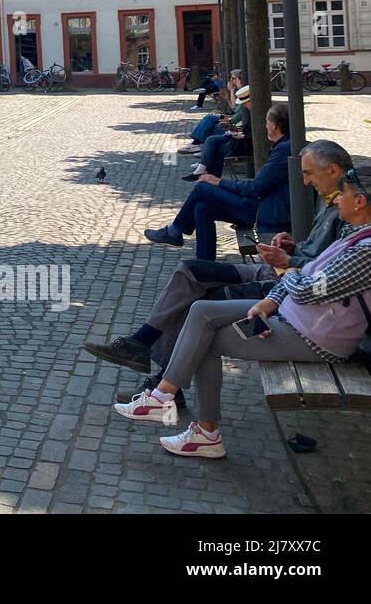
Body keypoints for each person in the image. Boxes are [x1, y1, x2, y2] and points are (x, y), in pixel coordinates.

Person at [112, 165, 371, 458]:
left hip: (316, 336)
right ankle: (167, 401)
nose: (337, 200)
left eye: (343, 195)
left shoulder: (366, 250)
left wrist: (288, 273)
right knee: (201, 311)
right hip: (294, 315)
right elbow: (305, 276)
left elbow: (308, 287)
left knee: (204, 339)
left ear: (360, 202)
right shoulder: (355, 234)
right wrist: (271, 299)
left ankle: (194, 424)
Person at [83, 140, 353, 397]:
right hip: (279, 275)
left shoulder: (348, 210)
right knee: (190, 271)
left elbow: (328, 273)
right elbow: (319, 253)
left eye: (309, 174)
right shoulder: (335, 199)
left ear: (332, 170)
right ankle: (141, 344)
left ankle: (161, 386)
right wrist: (293, 247)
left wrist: (289, 261)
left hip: (287, 290)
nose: (305, 181)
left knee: (197, 305)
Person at [144, 103, 290, 260]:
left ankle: (174, 231)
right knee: (202, 208)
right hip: (263, 206)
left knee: (203, 187)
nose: (265, 126)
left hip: (264, 213)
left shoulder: (283, 150)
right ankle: (205, 268)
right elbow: (260, 185)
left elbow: (256, 187)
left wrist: (219, 182)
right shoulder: (284, 145)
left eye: (267, 122)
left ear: (274, 126)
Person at [182, 85, 251, 180]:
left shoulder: (248, 109)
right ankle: (202, 166)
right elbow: (235, 111)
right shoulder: (242, 100)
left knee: (210, 124)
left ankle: (205, 168)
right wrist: (231, 93)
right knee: (210, 132)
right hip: (236, 130)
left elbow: (235, 115)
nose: (232, 81)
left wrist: (239, 133)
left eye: (235, 79)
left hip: (242, 138)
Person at [184, 69, 242, 146]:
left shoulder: (243, 91)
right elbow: (235, 109)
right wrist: (228, 99)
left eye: (233, 78)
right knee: (209, 119)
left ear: (239, 79)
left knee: (209, 120)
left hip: (237, 124)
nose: (231, 81)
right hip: (233, 119)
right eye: (231, 78)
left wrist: (231, 90)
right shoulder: (238, 90)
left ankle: (196, 143)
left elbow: (235, 109)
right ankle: (197, 143)